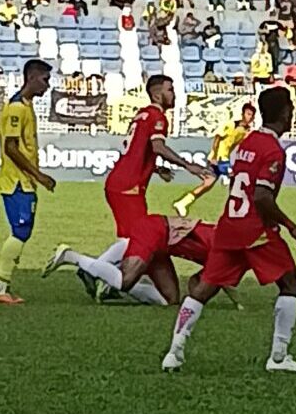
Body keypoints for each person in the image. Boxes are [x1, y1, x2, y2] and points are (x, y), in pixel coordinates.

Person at [162, 85, 296, 374]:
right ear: (283, 113)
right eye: (290, 109)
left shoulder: (249, 142)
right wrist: (292, 227)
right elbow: (261, 198)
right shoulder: (273, 151)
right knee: (290, 284)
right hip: (255, 230)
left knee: (205, 289)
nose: (292, 114)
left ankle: (174, 352)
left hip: (229, 225)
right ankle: (279, 358)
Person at [43, 74, 215, 306]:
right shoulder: (157, 117)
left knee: (134, 238)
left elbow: (137, 149)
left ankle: (105, 276)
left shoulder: (142, 114)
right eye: (169, 89)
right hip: (127, 187)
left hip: (122, 182)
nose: (173, 94)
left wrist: (156, 168)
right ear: (156, 94)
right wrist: (188, 165)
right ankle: (88, 267)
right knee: (137, 237)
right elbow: (157, 146)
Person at [0, 59, 55, 305]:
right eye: (45, 79)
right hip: (16, 182)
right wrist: (39, 175)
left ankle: (0, 285)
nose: (48, 85)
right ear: (32, 77)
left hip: (24, 182)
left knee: (22, 232)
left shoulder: (25, 105)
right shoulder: (16, 108)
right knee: (20, 231)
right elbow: (11, 148)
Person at [174, 102, 253, 217]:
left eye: (251, 115)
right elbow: (217, 138)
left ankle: (182, 202)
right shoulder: (231, 125)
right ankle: (235, 211)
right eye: (248, 114)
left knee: (208, 184)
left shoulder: (245, 131)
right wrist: (214, 155)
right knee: (235, 180)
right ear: (242, 114)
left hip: (224, 158)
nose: (249, 117)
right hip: (220, 159)